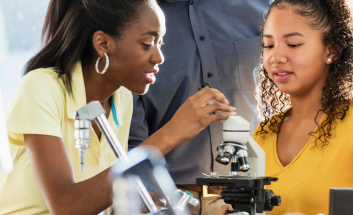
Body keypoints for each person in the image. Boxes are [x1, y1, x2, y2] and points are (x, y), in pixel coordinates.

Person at [0, 0, 236, 214]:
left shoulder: (121, 97)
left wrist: (197, 207)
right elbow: (66, 206)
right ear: (103, 43)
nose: (159, 57)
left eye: (161, 43)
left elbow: (110, 197)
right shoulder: (40, 88)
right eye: (147, 43)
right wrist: (172, 133)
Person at [128, 0, 270, 213]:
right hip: (170, 203)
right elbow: (129, 144)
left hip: (251, 199)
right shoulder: (131, 18)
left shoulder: (263, 7)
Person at [251, 0, 353, 214]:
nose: (276, 57)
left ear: (332, 50)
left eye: (293, 44)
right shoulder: (262, 135)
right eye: (268, 45)